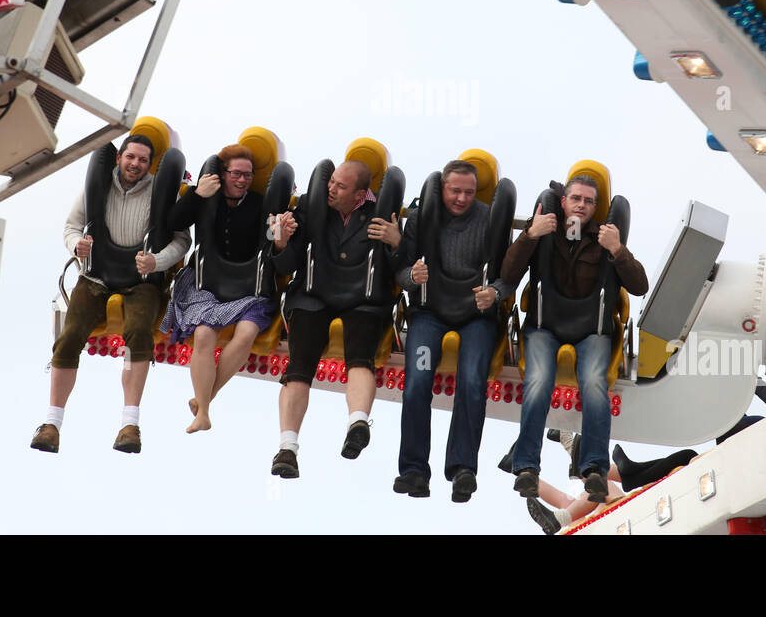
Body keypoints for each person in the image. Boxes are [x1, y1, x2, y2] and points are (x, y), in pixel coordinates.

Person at [30, 135, 190, 454]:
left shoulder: (162, 191)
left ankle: (129, 423)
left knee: (139, 333)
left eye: (143, 160)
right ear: (119, 158)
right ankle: (51, 423)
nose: (136, 164)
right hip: (97, 275)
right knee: (70, 334)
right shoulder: (97, 186)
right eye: (131, 157)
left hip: (141, 279)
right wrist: (77, 245)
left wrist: (157, 261)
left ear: (150, 164)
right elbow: (71, 226)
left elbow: (182, 240)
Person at [501, 176, 648, 502]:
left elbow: (640, 286)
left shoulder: (604, 239)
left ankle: (594, 469)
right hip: (544, 327)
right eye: (576, 199)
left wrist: (617, 250)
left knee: (595, 385)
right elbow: (508, 275)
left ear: (596, 209)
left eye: (589, 201)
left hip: (591, 331)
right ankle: (526, 466)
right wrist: (529, 235)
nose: (581, 205)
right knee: (538, 381)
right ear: (563, 202)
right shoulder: (544, 231)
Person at [269, 160, 400, 478]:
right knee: (298, 368)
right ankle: (287, 447)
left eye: (340, 186)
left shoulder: (380, 216)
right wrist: (281, 241)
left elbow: (402, 269)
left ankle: (358, 422)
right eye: (332, 182)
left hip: (363, 300)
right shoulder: (312, 208)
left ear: (359, 195)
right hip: (313, 296)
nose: (331, 188)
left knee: (360, 359)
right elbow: (287, 265)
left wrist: (397, 242)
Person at [392, 160, 514, 503]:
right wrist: (409, 278)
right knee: (416, 382)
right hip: (430, 313)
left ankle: (462, 468)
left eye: (469, 192)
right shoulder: (420, 218)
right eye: (455, 191)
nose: (461, 198)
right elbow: (400, 270)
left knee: (473, 383)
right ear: (442, 188)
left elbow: (507, 276)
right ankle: (413, 470)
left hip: (475, 314)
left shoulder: (490, 218)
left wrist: (496, 293)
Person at [162, 144, 277, 434]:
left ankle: (203, 402)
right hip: (207, 283)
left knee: (247, 333)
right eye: (237, 174)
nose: (242, 180)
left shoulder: (258, 203)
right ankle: (204, 412)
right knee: (202, 334)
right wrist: (198, 196)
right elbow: (173, 223)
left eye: (248, 175)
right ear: (222, 174)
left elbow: (270, 240)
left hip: (247, 287)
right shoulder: (205, 196)